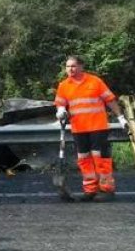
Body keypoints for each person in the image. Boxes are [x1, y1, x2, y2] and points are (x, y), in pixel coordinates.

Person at [54, 55, 128, 201]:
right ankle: (90, 190)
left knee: (99, 157)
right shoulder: (64, 85)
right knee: (84, 159)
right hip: (79, 128)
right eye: (68, 67)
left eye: (73, 66)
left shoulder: (95, 81)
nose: (70, 69)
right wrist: (61, 110)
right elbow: (60, 103)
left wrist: (120, 118)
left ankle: (106, 190)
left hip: (97, 126)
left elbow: (110, 100)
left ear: (81, 67)